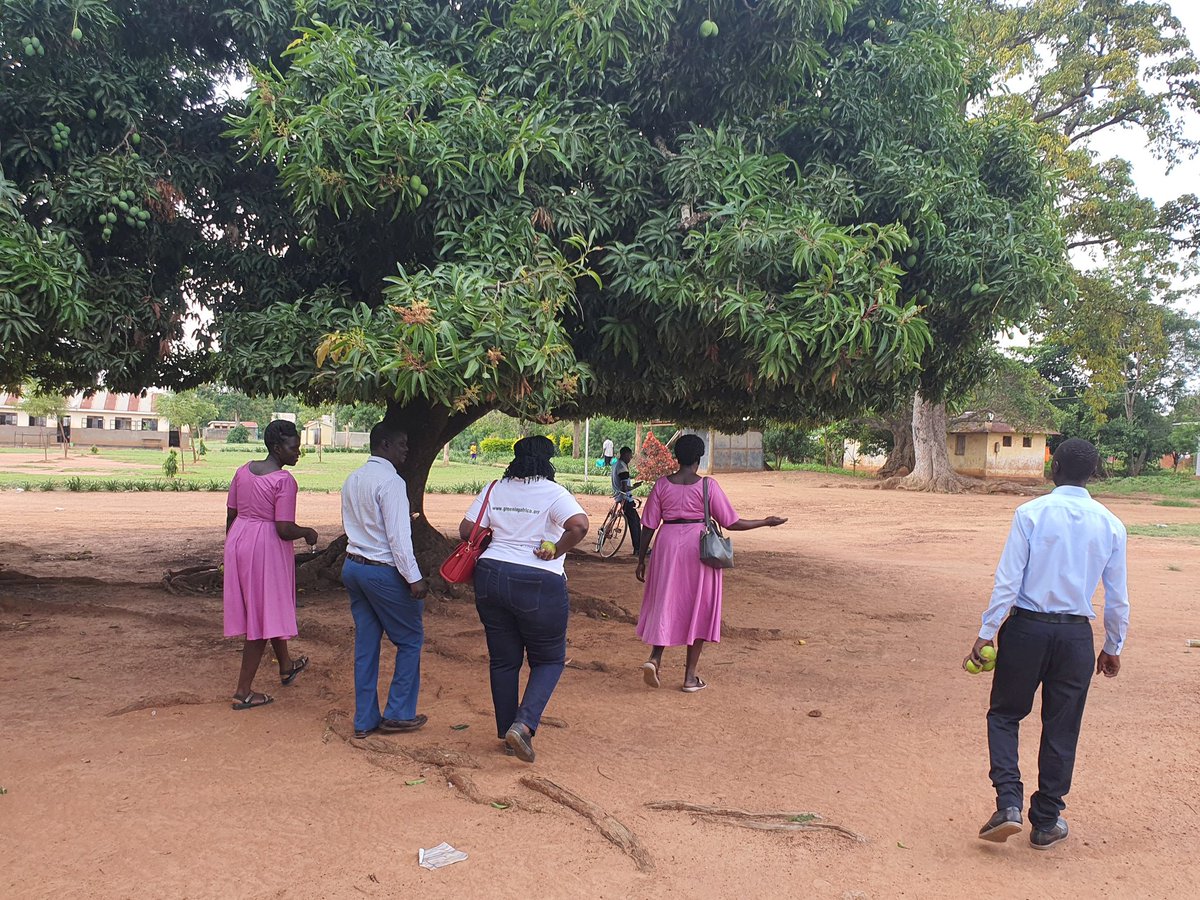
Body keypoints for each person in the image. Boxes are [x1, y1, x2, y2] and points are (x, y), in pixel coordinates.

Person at [966, 438, 1128, 851]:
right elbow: (1117, 596)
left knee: (1005, 715)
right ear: (1092, 474)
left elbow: (1008, 580)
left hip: (1026, 629)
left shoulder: (1030, 513)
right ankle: (1047, 820)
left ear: (1052, 468)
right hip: (1075, 636)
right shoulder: (1111, 524)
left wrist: (987, 632)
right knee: (1062, 725)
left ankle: (1008, 804)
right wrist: (1113, 645)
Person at [458, 435, 589, 762]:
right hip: (537, 581)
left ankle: (506, 732)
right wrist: (555, 551)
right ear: (547, 461)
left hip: (489, 577)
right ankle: (524, 724)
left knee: (503, 660)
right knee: (548, 660)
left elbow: (465, 529)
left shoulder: (495, 489)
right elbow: (579, 526)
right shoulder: (553, 492)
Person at [635, 434, 787, 692]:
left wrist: (641, 557)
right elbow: (731, 522)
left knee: (665, 600)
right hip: (699, 547)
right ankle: (689, 677)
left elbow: (648, 525)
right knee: (700, 606)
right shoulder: (708, 486)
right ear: (699, 458)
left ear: (676, 457)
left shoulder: (661, 485)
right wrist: (765, 521)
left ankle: (655, 658)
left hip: (667, 544)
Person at [340, 422, 429, 740]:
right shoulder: (391, 482)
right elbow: (398, 538)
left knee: (366, 644)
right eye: (402, 443)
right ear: (385, 445)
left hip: (354, 567)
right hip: (382, 570)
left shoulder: (354, 478)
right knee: (409, 640)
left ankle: (364, 719)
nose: (407, 449)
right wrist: (414, 578)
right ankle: (398, 713)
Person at [223, 419, 317, 710]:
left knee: (265, 607)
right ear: (278, 448)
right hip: (266, 547)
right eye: (294, 447)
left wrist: (232, 546)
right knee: (260, 618)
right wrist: (307, 533)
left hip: (239, 540)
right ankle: (243, 692)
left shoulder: (243, 471)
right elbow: (284, 528)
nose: (298, 452)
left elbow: (231, 514)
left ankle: (286, 665)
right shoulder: (283, 481)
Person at [610, 446, 642, 555]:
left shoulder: (615, 465)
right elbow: (624, 488)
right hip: (625, 499)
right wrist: (634, 487)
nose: (630, 458)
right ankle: (638, 548)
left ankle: (639, 546)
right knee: (635, 523)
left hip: (618, 497)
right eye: (630, 455)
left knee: (636, 521)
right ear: (625, 455)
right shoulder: (623, 467)